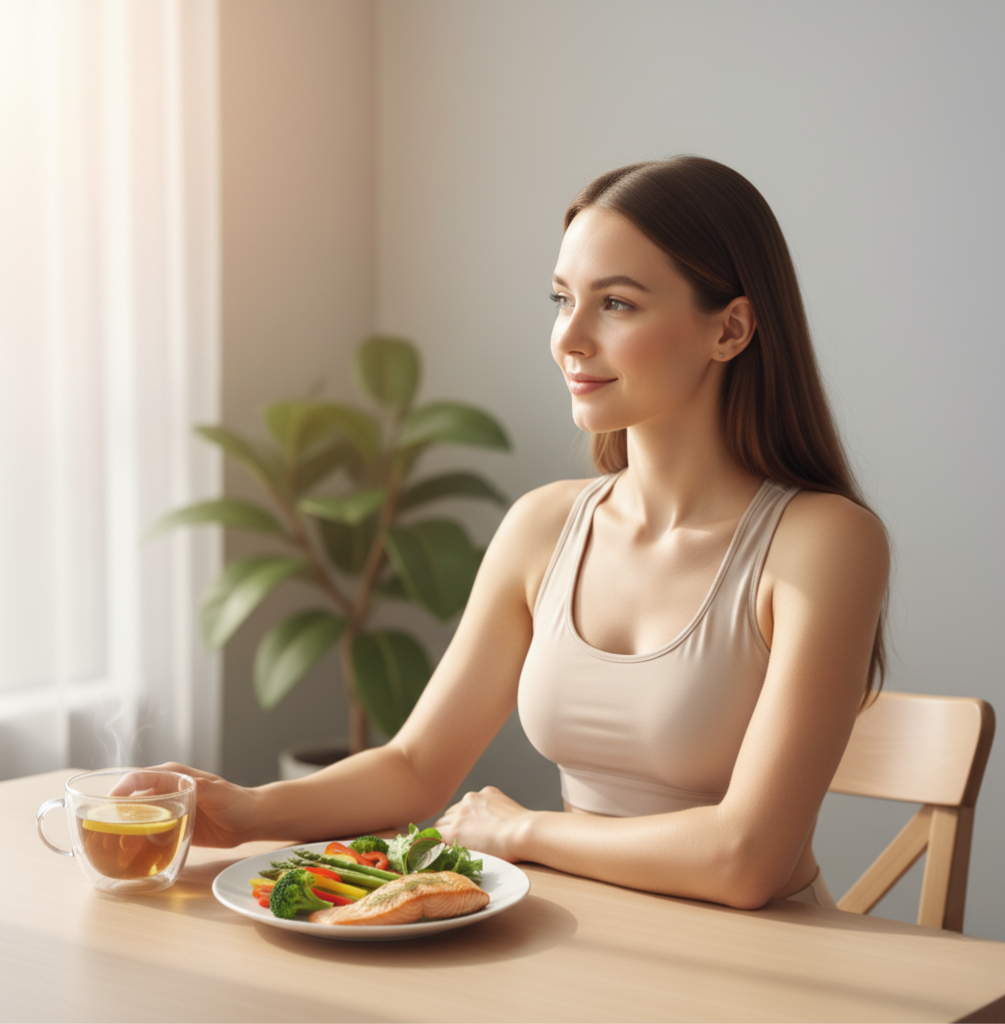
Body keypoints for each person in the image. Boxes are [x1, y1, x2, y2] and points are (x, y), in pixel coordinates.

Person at [161, 157, 889, 911]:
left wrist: (521, 832)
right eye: (562, 299)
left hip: (767, 970)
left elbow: (747, 860)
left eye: (616, 304)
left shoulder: (824, 543)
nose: (568, 338)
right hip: (582, 942)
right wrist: (244, 810)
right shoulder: (544, 527)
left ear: (730, 329)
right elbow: (415, 766)